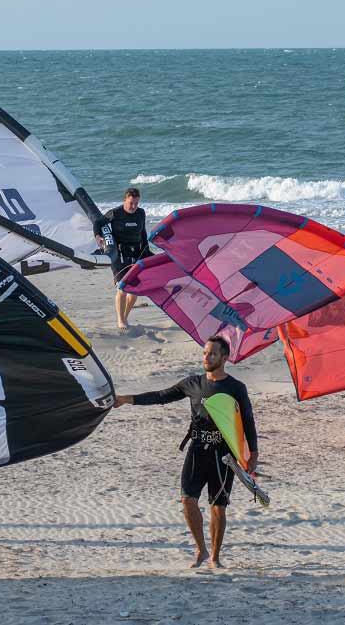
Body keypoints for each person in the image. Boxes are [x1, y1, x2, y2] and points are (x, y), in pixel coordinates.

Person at [114, 336, 258, 569]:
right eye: (204, 353)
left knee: (218, 506)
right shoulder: (193, 383)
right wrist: (127, 399)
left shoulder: (235, 388)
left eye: (212, 354)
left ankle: (215, 556)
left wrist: (253, 453)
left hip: (224, 452)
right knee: (187, 499)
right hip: (197, 448)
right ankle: (201, 550)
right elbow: (161, 396)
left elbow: (248, 421)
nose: (206, 357)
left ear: (224, 357)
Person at [94, 187, 149, 330]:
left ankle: (125, 316)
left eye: (136, 203)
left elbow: (143, 233)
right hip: (118, 253)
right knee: (123, 288)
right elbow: (98, 222)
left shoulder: (141, 213)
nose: (134, 206)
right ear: (125, 200)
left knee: (135, 289)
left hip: (136, 252)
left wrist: (146, 251)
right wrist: (98, 236)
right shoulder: (115, 213)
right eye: (131, 203)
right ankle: (121, 320)